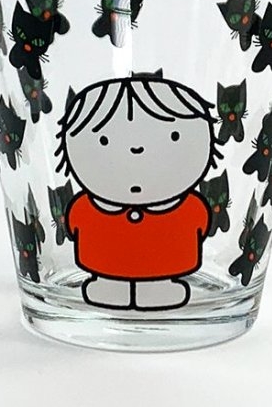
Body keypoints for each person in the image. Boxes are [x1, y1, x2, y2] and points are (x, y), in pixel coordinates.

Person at [55, 75, 222, 310]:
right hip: (94, 275)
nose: (137, 150)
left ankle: (160, 287)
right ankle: (109, 285)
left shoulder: (189, 207)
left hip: (172, 269)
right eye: (104, 140)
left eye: (173, 136)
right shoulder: (86, 207)